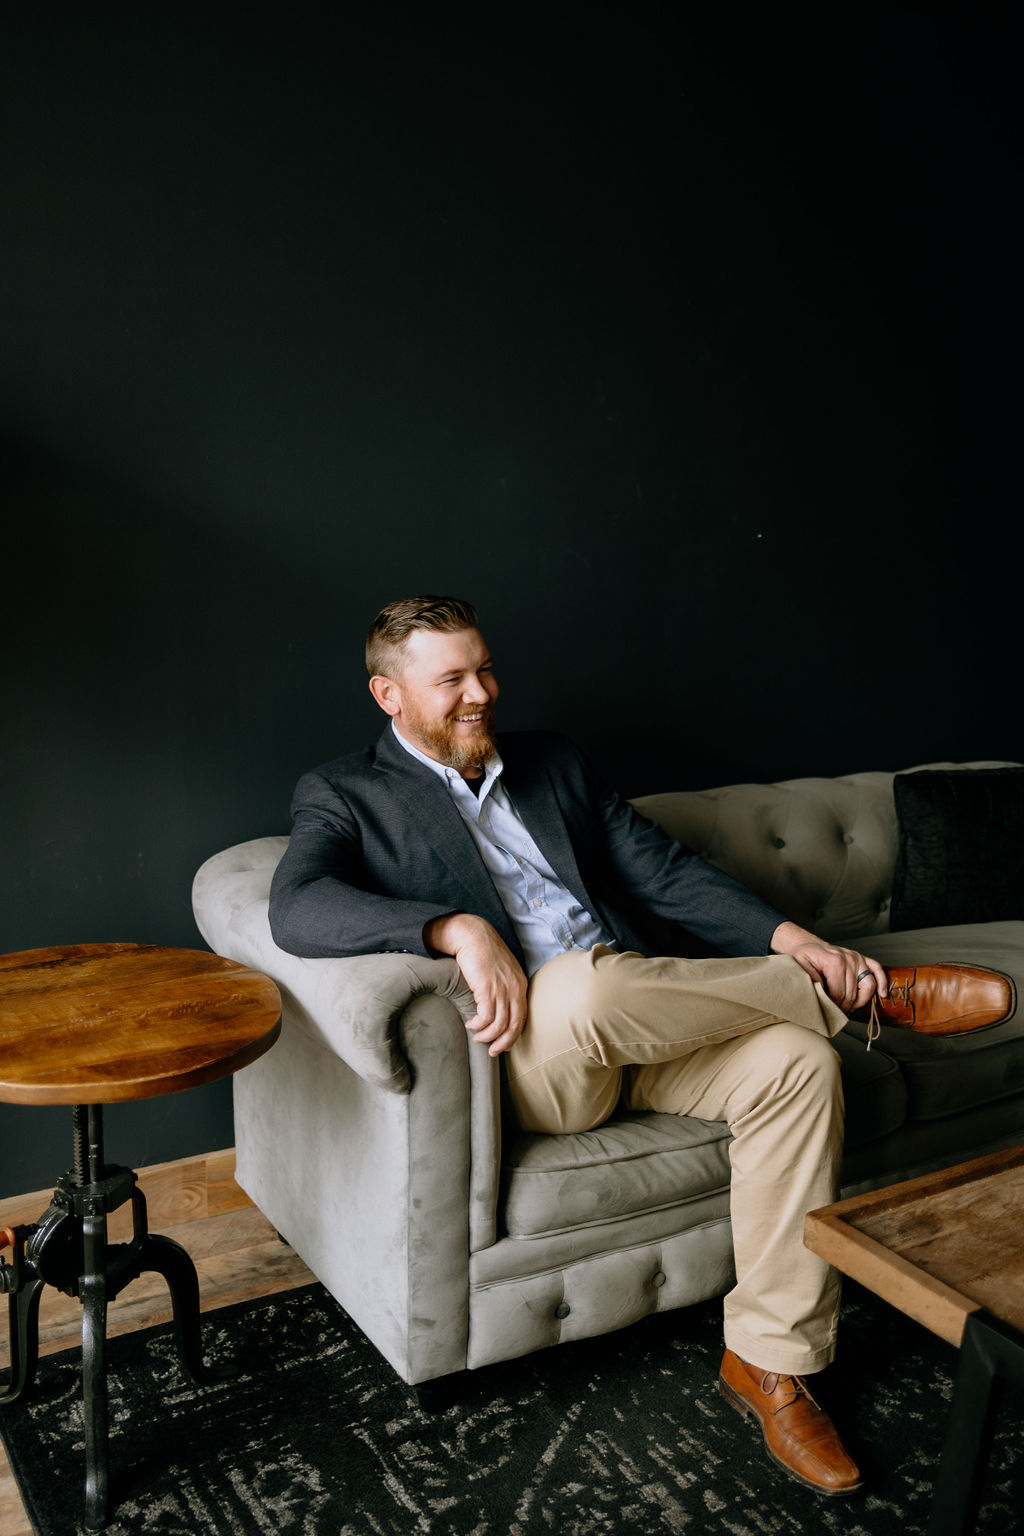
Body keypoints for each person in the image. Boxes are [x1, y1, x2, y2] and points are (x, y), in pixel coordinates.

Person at [268, 594, 1010, 1498]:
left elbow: (661, 869)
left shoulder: (552, 763)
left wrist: (797, 942)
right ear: (389, 695)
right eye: (452, 679)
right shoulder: (346, 792)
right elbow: (296, 906)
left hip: (647, 1022)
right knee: (586, 982)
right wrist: (453, 928)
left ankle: (771, 1361)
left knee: (800, 1067)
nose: (481, 693)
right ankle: (867, 999)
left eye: (486, 668)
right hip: (540, 1057)